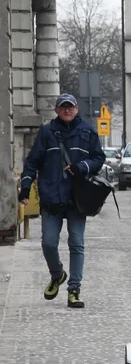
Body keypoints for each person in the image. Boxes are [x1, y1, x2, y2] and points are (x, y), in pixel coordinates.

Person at [19, 93, 105, 309]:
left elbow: (98, 158)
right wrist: (26, 188)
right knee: (48, 243)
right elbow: (32, 162)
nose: (67, 110)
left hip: (77, 198)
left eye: (71, 107)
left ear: (77, 109)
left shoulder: (87, 131)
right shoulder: (47, 132)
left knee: (76, 244)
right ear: (56, 110)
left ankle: (74, 289)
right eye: (63, 107)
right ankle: (57, 274)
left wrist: (81, 167)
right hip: (51, 197)